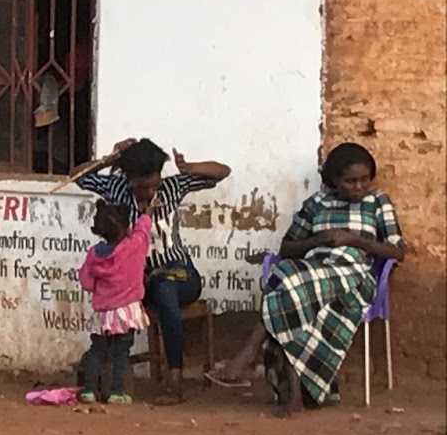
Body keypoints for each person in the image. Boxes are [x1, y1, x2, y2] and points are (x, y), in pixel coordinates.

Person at [207, 143, 405, 414]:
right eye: (350, 181)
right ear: (334, 180)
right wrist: (317, 240)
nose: (358, 187)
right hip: (311, 273)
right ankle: (295, 397)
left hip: (354, 276)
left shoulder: (378, 202)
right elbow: (287, 248)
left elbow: (397, 251)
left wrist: (354, 240)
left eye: (363, 180)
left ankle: (250, 353)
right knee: (291, 294)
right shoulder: (316, 204)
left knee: (288, 285)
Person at [75, 137, 231, 405]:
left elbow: (222, 171)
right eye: (142, 187)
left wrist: (188, 166)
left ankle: (174, 378)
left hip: (182, 277)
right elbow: (77, 176)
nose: (149, 192)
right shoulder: (115, 188)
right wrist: (110, 159)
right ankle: (114, 380)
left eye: (153, 185)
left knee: (165, 288)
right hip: (138, 284)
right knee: (148, 289)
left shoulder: (173, 187)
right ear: (128, 178)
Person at [75, 203, 153, 405]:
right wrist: (147, 214)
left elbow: (86, 282)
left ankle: (89, 391)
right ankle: (117, 392)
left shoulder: (94, 255)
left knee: (97, 351)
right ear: (126, 228)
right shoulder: (133, 247)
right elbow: (143, 233)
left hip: (103, 312)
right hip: (126, 311)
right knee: (121, 352)